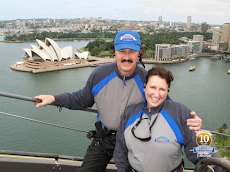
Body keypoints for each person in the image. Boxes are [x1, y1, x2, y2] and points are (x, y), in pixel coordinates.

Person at [34, 30, 202, 172]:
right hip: (104, 139)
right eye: (122, 52)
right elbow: (81, 99)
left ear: (139, 54)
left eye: (132, 52)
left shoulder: (147, 80)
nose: (127, 57)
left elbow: (166, 107)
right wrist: (54, 99)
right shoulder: (99, 74)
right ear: (115, 52)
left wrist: (192, 123)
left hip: (134, 139)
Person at [113, 66, 220, 172]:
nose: (156, 94)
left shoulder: (179, 112)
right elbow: (120, 149)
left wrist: (216, 166)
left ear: (167, 91)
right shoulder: (130, 113)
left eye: (162, 89)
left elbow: (197, 149)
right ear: (145, 88)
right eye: (152, 87)